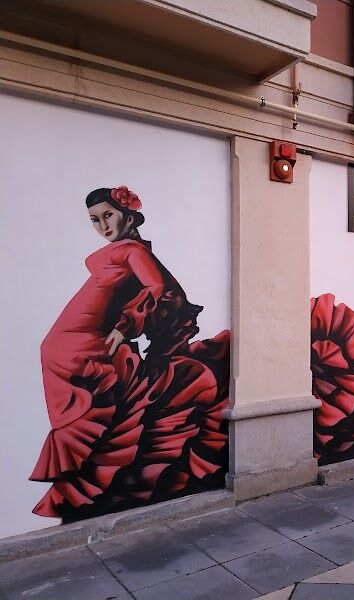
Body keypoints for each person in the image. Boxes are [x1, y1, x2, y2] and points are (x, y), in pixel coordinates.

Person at [30, 186, 230, 521]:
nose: (103, 226)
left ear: (128, 215)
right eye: (94, 220)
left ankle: (96, 476)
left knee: (90, 407)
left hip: (85, 339)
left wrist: (127, 324)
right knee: (81, 407)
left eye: (108, 215)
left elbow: (156, 285)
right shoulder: (123, 249)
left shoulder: (133, 250)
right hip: (65, 345)